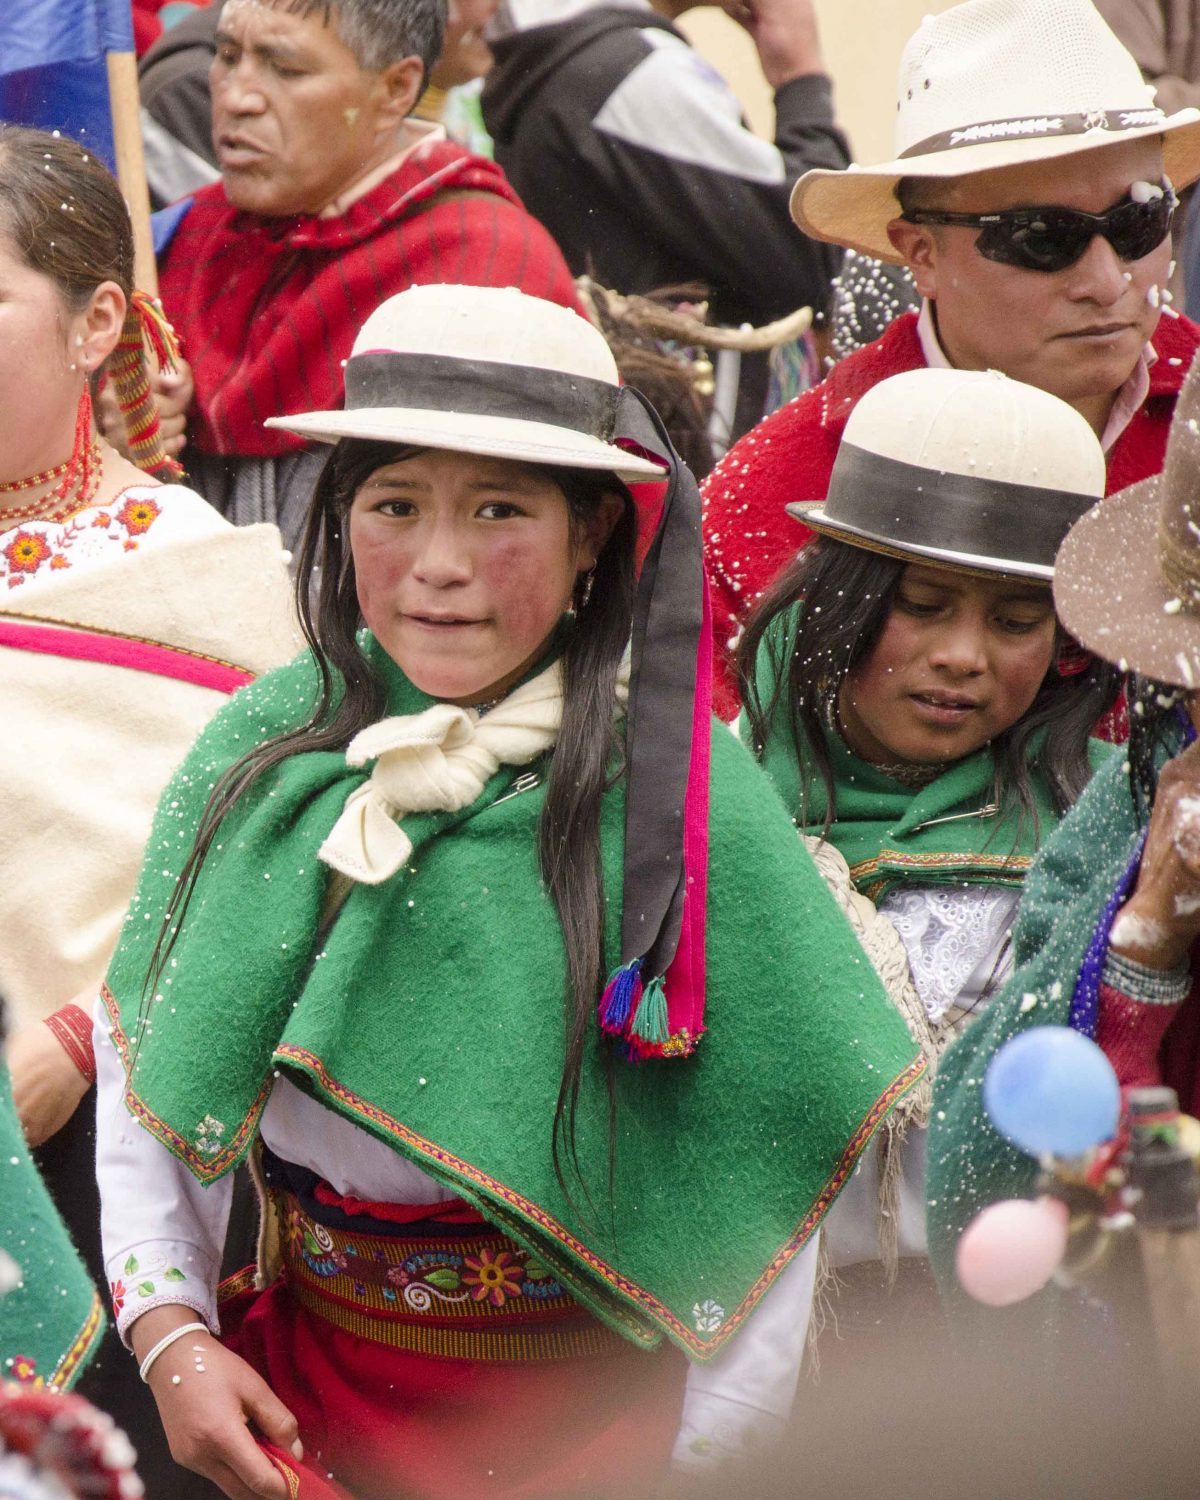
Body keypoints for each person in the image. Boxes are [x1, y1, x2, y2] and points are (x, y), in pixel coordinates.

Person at [95, 282, 922, 1499]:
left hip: (605, 1444)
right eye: (393, 505)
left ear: (594, 531)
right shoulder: (262, 761)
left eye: (498, 511)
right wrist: (168, 1337)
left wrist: (705, 1468)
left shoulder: (685, 803)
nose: (438, 565)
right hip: (302, 1417)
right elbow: (150, 1077)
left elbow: (758, 1191)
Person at [0, 124, 299, 1495]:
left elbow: (268, 874)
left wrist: (83, 1030)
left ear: (97, 322)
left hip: (106, 1152)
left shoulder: (218, 588)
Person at [736, 365, 1119, 1384]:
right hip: (723, 1372)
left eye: (1014, 620)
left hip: (1003, 1373)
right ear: (837, 599)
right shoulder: (702, 801)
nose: (963, 656)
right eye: (923, 604)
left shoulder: (1107, 833)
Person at [702, 0, 1200, 717]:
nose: (1105, 281)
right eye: (1042, 237)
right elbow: (717, 791)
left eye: (1139, 220)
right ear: (920, 255)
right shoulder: (779, 490)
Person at [927, 345, 1200, 1292]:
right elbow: (998, 1183)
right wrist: (1141, 948)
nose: (960, 657)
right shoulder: (1138, 810)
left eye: (1013, 620)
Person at [140, 0, 583, 552]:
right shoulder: (185, 238)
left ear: (396, 89)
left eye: (285, 68)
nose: (235, 96)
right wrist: (120, 428)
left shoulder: (488, 267)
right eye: (227, 56)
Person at [480, 0, 849, 439]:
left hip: (634, 433)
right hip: (688, 456)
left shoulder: (563, 55)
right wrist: (800, 78)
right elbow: (818, 245)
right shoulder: (631, 74)